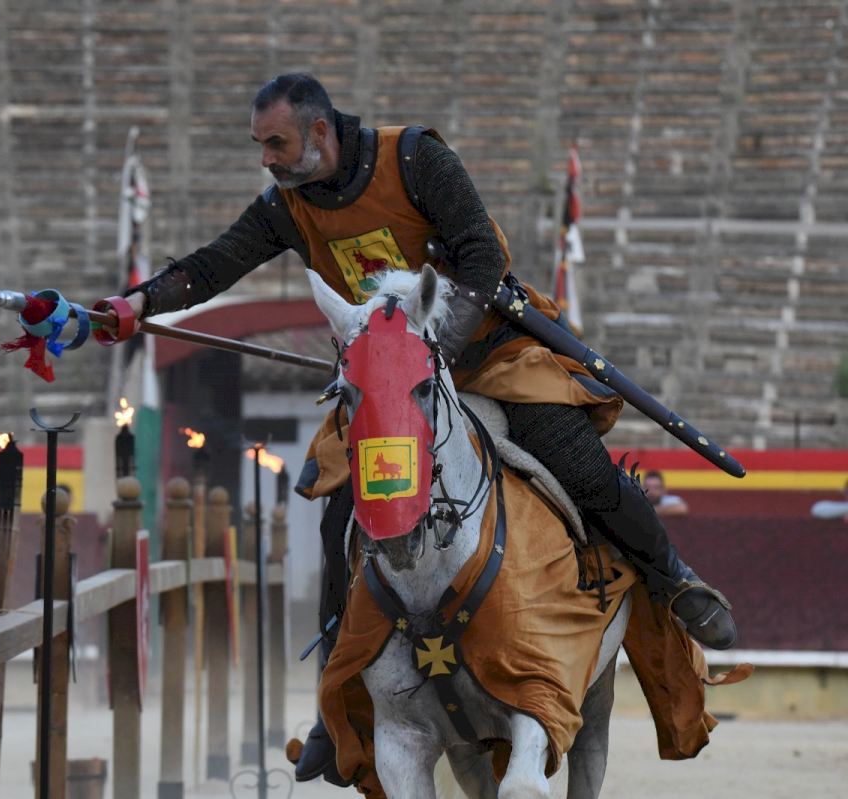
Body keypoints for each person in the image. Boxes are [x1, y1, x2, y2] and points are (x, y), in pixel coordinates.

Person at [117, 73, 736, 782]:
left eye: (276, 143)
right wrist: (133, 305)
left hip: (491, 355)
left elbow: (483, 255)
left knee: (580, 465)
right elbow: (212, 266)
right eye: (260, 145)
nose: (267, 158)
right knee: (339, 509)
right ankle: (338, 695)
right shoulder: (287, 205)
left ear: (319, 132)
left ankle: (673, 580)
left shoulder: (414, 159)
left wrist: (431, 346)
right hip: (389, 389)